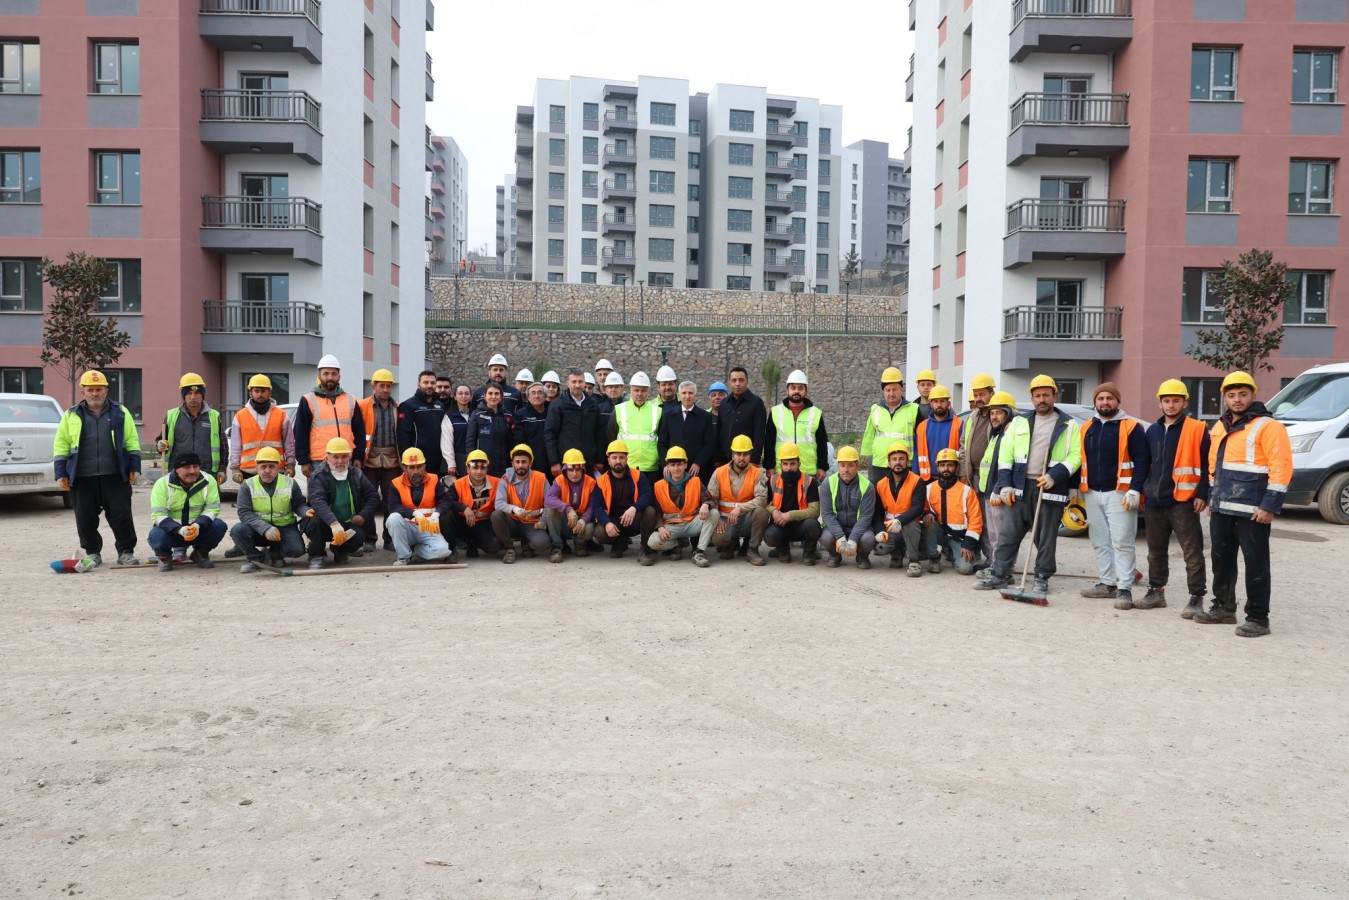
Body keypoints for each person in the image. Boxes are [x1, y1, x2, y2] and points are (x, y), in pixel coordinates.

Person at [1193, 371, 1292, 638]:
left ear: (1253, 395)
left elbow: (1281, 467)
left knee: (1256, 564)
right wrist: (1212, 498)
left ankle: (1258, 618)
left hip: (1254, 511)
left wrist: (1269, 506)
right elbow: (1213, 466)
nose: (1237, 399)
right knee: (1221, 561)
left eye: (1242, 394)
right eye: (1231, 395)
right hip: (1222, 507)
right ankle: (1224, 608)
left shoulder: (1268, 426)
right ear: (1225, 398)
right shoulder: (1220, 426)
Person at [974, 374, 1082, 600]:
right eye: (1037, 395)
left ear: (1054, 396)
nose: (1042, 399)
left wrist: (1054, 475)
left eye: (1046, 395)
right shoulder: (1019, 423)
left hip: (1049, 487)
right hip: (1020, 486)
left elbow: (1075, 456)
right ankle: (1000, 573)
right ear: (1032, 398)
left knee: (1045, 537)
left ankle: (1042, 577)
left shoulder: (1069, 425)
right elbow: (1006, 455)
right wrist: (1005, 485)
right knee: (1008, 533)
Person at [52, 370, 141, 567]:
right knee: (85, 518)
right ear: (83, 392)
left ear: (106, 391)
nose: (94, 393)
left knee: (121, 515)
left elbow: (132, 439)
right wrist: (61, 472)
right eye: (90, 390)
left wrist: (134, 466)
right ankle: (92, 552)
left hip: (115, 475)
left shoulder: (120, 412)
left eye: (98, 389)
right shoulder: (71, 414)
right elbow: (61, 443)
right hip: (82, 476)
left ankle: (125, 552)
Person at [1140, 379, 1211, 617]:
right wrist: (1143, 492)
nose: (1171, 405)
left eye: (1176, 401)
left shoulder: (1197, 429)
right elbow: (1145, 464)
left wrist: (1202, 494)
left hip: (1183, 501)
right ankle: (1156, 592)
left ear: (1185, 403)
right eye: (1167, 401)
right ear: (1159, 403)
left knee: (1192, 552)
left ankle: (1196, 597)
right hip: (1154, 501)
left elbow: (1206, 464)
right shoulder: (1152, 431)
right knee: (1155, 551)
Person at [1078, 382, 1151, 607]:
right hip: (1092, 492)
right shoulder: (1087, 427)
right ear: (1095, 402)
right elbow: (1081, 459)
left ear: (1118, 401)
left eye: (1110, 398)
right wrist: (1075, 488)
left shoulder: (1132, 427)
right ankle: (1106, 583)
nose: (1105, 402)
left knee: (1123, 542)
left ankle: (1124, 588)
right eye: (1100, 399)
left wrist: (1135, 489)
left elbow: (1142, 460)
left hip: (1120, 493)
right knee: (1099, 541)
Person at [304, 437, 379, 569]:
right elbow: (318, 502)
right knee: (315, 522)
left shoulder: (356, 474)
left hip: (346, 523)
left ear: (349, 457)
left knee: (359, 537)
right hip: (325, 524)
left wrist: (362, 515)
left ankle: (339, 551)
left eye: (344, 457)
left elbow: (373, 496)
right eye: (335, 457)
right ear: (327, 458)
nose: (340, 461)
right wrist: (334, 523)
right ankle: (316, 555)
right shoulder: (318, 476)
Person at [230, 446, 308, 572]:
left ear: (278, 468)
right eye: (263, 467)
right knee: (238, 530)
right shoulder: (247, 485)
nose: (267, 470)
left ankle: (274, 554)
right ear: (257, 468)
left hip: (284, 528)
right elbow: (244, 513)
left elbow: (298, 504)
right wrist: (265, 528)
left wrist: (305, 511)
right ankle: (255, 558)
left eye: (271, 467)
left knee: (297, 550)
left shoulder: (290, 483)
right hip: (258, 529)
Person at [148, 452, 227, 571]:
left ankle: (200, 553)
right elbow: (158, 515)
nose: (192, 471)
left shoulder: (209, 480)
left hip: (197, 529)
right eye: (186, 467)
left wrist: (197, 525)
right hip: (172, 531)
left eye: (195, 466)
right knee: (156, 535)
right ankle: (164, 557)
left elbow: (212, 509)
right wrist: (179, 529)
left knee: (219, 526)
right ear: (177, 469)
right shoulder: (162, 484)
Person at [294, 355, 366, 478]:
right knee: (319, 491)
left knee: (346, 491)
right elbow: (301, 433)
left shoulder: (351, 400)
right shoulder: (308, 400)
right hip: (319, 461)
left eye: (334, 374)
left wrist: (358, 456)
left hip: (345, 460)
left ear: (339, 376)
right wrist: (303, 461)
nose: (330, 377)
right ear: (319, 376)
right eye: (326, 373)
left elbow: (359, 432)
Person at [646, 446, 716, 567]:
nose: (676, 468)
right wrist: (660, 527)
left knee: (714, 513)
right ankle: (676, 544)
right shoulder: (659, 485)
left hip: (692, 523)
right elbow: (657, 511)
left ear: (685, 465)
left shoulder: (695, 481)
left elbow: (710, 499)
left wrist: (706, 504)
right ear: (668, 467)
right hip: (672, 526)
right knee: (653, 542)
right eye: (672, 465)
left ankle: (699, 552)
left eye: (679, 464)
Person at [385, 447, 454, 565]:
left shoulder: (434, 479)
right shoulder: (396, 483)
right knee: (393, 518)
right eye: (411, 467)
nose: (416, 471)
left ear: (424, 466)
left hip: (428, 528)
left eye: (419, 467)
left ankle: (417, 551)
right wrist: (414, 513)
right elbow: (393, 507)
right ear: (404, 468)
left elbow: (445, 500)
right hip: (407, 528)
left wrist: (437, 514)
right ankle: (404, 557)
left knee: (443, 551)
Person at [358, 368, 401, 553]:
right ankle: (369, 539)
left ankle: (389, 538)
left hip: (392, 461)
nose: (385, 389)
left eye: (388, 386)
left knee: (391, 500)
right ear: (373, 386)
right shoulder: (362, 406)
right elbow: (356, 433)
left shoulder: (398, 408)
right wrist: (358, 457)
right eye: (381, 385)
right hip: (369, 460)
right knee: (368, 498)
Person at [923, 448, 985, 575]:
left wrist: (968, 544)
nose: (946, 469)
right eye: (942, 465)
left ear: (956, 467)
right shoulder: (929, 489)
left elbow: (976, 521)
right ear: (937, 468)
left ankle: (953, 551)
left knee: (965, 569)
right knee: (928, 520)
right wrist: (927, 513)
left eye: (950, 465)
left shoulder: (967, 491)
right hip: (940, 534)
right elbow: (924, 509)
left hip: (960, 538)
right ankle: (934, 559)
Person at [975, 392, 1018, 574]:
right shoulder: (996, 434)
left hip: (1000, 492)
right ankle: (996, 565)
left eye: (999, 413)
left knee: (1002, 534)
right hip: (989, 491)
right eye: (992, 413)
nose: (994, 417)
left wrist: (999, 488)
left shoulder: (1010, 435)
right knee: (993, 534)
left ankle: (1004, 570)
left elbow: (1010, 466)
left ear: (1009, 413)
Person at [758, 442, 821, 566]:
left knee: (813, 525)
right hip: (780, 525)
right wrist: (773, 511)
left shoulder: (810, 482)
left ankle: (809, 552)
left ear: (799, 464)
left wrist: (790, 515)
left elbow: (815, 511)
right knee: (770, 535)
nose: (789, 468)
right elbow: (763, 503)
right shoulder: (772, 481)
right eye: (785, 464)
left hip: (802, 525)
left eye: (792, 463)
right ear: (780, 465)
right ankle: (783, 549)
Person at [708, 434, 767, 565]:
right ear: (732, 455)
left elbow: (762, 499)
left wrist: (740, 508)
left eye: (745, 454)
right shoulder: (719, 472)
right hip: (725, 519)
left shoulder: (759, 473)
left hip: (747, 518)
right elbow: (711, 499)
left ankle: (752, 549)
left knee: (762, 512)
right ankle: (729, 544)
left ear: (750, 455)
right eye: (738, 454)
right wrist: (717, 520)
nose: (742, 458)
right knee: (718, 539)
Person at [591, 440, 655, 561]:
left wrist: (634, 508)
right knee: (600, 533)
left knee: (650, 511)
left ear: (626, 459)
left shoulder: (638, 475)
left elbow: (648, 495)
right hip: (614, 521)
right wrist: (607, 523)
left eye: (621, 457)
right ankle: (619, 541)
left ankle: (644, 549)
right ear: (608, 460)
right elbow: (597, 507)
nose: (618, 461)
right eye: (614, 457)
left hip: (634, 519)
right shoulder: (601, 481)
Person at [158, 372, 227, 486]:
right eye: (189, 393)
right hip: (178, 472)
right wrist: (160, 445)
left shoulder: (214, 416)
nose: (193, 397)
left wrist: (222, 469)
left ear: (202, 395)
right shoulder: (171, 415)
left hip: (207, 472)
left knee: (209, 498)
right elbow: (162, 441)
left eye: (197, 393)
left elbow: (223, 447)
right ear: (184, 396)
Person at [227, 373, 294, 485]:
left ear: (269, 393)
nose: (260, 394)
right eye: (256, 391)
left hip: (275, 470)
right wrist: (235, 469)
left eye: (263, 391)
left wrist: (291, 465)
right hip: (249, 471)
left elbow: (289, 444)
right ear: (250, 393)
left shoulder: (281, 415)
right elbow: (235, 446)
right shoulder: (240, 416)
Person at [491, 444, 553, 563]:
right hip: (512, 521)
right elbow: (498, 504)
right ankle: (509, 548)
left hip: (532, 523)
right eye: (517, 462)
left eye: (524, 462)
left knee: (543, 544)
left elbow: (549, 503)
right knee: (496, 515)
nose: (520, 465)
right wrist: (514, 510)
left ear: (530, 463)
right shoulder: (505, 479)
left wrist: (543, 521)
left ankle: (527, 543)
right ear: (512, 463)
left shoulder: (541, 478)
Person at [763, 369, 829, 483]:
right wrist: (769, 466)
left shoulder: (815, 413)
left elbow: (822, 442)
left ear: (806, 391)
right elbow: (769, 442)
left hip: (808, 471)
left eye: (800, 388)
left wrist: (822, 467)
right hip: (782, 470)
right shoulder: (775, 412)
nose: (796, 391)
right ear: (787, 390)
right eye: (793, 388)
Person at [871, 441, 925, 575]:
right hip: (890, 527)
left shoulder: (917, 481)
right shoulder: (881, 484)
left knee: (911, 526)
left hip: (910, 526)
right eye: (894, 459)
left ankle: (914, 561)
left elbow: (918, 507)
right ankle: (897, 554)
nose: (898, 462)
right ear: (889, 463)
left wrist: (900, 520)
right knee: (881, 547)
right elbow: (878, 512)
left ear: (907, 461)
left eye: (901, 459)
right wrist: (879, 530)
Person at [861, 367, 921, 485]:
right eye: (888, 390)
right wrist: (868, 460)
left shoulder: (914, 409)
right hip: (879, 464)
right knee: (879, 494)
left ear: (901, 389)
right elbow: (869, 437)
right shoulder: (875, 409)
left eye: (895, 390)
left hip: (903, 464)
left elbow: (921, 439)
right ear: (883, 391)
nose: (891, 393)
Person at [959, 373, 997, 559]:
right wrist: (963, 472)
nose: (979, 399)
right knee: (976, 517)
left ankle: (993, 560)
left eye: (982, 394)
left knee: (992, 521)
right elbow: (963, 446)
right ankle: (981, 556)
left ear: (991, 393)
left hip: (992, 477)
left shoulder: (998, 416)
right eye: (976, 395)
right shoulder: (972, 417)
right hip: (973, 476)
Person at [819, 445, 876, 569]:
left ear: (857, 466)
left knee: (868, 539)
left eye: (850, 465)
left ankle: (862, 556)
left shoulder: (867, 486)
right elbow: (827, 514)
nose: (846, 469)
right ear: (838, 466)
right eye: (842, 465)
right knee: (826, 538)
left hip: (859, 528)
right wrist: (840, 536)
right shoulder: (828, 484)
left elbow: (866, 517)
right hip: (836, 527)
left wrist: (853, 539)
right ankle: (834, 556)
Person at [545, 368, 606, 478]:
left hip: (588, 463)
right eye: (574, 382)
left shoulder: (593, 405)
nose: (577, 385)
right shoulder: (558, 405)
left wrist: (600, 459)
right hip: (566, 464)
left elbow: (599, 433)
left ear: (584, 383)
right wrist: (554, 461)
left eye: (580, 381)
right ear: (568, 383)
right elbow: (550, 433)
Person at [545, 448, 598, 559]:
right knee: (551, 510)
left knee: (589, 529)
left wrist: (584, 520)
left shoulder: (591, 482)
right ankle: (556, 547)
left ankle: (580, 544)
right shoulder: (559, 481)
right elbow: (549, 499)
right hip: (566, 522)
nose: (574, 474)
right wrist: (568, 509)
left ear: (583, 469)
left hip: (582, 521)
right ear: (565, 470)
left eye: (578, 470)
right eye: (571, 470)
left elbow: (593, 506)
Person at [657, 381, 716, 477]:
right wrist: (666, 464)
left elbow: (709, 444)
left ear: (695, 395)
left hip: (696, 470)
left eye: (690, 393)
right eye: (684, 393)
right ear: (679, 395)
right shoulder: (669, 416)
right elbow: (662, 443)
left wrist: (698, 463)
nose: (687, 396)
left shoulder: (705, 417)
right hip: (673, 469)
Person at [610, 371, 663, 477]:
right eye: (636, 390)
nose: (639, 394)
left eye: (643, 390)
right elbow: (610, 438)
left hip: (650, 468)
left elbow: (663, 440)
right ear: (631, 390)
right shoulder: (619, 410)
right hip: (625, 467)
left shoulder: (658, 411)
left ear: (648, 391)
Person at [449, 449, 501, 557]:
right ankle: (452, 548)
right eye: (475, 468)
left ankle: (474, 541)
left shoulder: (497, 483)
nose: (479, 472)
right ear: (468, 469)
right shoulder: (458, 484)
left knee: (494, 546)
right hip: (463, 522)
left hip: (484, 522)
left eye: (483, 468)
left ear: (487, 469)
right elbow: (447, 501)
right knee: (446, 516)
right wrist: (463, 508)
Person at [397, 369, 447, 477]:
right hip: (417, 462)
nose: (429, 385)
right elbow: (403, 436)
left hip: (438, 461)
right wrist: (406, 460)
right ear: (418, 384)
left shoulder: (440, 406)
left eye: (432, 383)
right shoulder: (408, 406)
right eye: (426, 382)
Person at [717, 366, 767, 465]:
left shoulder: (756, 403)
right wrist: (717, 458)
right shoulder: (724, 403)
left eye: (741, 380)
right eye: (734, 380)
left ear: (747, 382)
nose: (737, 384)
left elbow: (759, 435)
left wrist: (754, 461)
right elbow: (719, 431)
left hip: (746, 461)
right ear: (729, 383)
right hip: (724, 461)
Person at [466, 383, 515, 477]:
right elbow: (470, 442)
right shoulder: (477, 414)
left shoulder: (508, 415)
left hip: (505, 466)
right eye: (490, 393)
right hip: (483, 465)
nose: (493, 396)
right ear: (485, 396)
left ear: (501, 397)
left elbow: (513, 441)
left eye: (496, 394)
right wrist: (471, 462)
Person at [914, 384, 960, 481]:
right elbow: (916, 454)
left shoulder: (959, 425)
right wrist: (915, 476)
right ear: (931, 404)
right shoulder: (922, 427)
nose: (939, 405)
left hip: (952, 478)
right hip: (927, 479)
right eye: (935, 401)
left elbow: (964, 454)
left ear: (948, 403)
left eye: (942, 401)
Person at [514, 382, 552, 474]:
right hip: (531, 462)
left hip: (551, 461)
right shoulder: (520, 415)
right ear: (528, 397)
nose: (536, 396)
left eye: (540, 392)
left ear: (545, 396)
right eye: (533, 393)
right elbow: (518, 441)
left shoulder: (552, 412)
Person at [442, 383, 474, 478]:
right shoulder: (449, 416)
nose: (463, 396)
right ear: (455, 397)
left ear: (471, 397)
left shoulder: (476, 415)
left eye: (467, 393)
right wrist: (451, 463)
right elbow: (446, 442)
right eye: (460, 393)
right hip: (457, 458)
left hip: (474, 458)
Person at [707, 381, 728, 467]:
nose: (717, 397)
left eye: (721, 394)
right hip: (709, 461)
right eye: (713, 395)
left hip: (728, 460)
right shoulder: (704, 416)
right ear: (710, 399)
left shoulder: (732, 415)